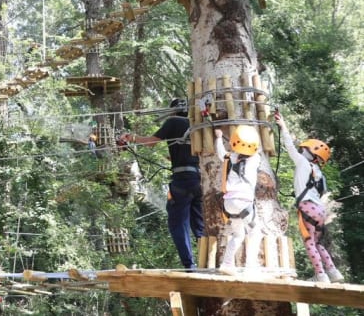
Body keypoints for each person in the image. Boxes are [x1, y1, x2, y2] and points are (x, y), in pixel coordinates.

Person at [121, 98, 204, 269]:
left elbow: (151, 142)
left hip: (182, 180)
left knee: (177, 224)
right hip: (199, 181)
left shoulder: (173, 121)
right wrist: (169, 157)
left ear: (172, 111)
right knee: (199, 225)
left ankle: (190, 266)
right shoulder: (198, 124)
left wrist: (131, 137)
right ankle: (208, 261)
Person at [274, 111, 343, 283]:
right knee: (317, 242)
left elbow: (289, 146)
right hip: (319, 210)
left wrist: (283, 126)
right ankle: (333, 272)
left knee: (309, 242)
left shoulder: (303, 163)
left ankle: (321, 275)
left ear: (311, 153)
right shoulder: (317, 171)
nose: (301, 150)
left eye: (304, 149)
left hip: (307, 207)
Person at [214, 125, 263, 272]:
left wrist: (218, 137)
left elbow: (220, 152)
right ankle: (251, 266)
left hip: (229, 203)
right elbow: (255, 150)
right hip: (244, 203)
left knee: (238, 234)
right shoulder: (256, 159)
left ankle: (227, 264)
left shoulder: (229, 157)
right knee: (255, 232)